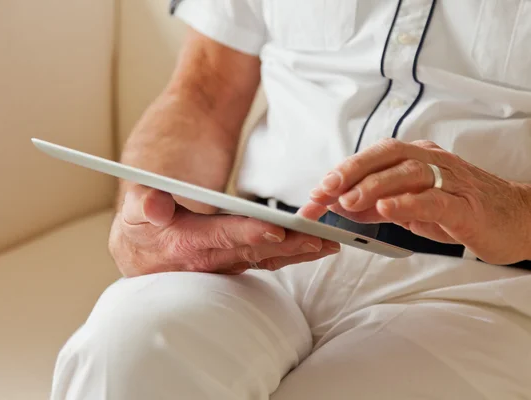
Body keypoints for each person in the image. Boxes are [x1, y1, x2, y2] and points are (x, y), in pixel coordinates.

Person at [51, 1, 531, 399]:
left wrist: (513, 207)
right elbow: (204, 91)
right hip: (258, 255)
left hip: (483, 287)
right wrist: (155, 211)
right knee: (125, 351)